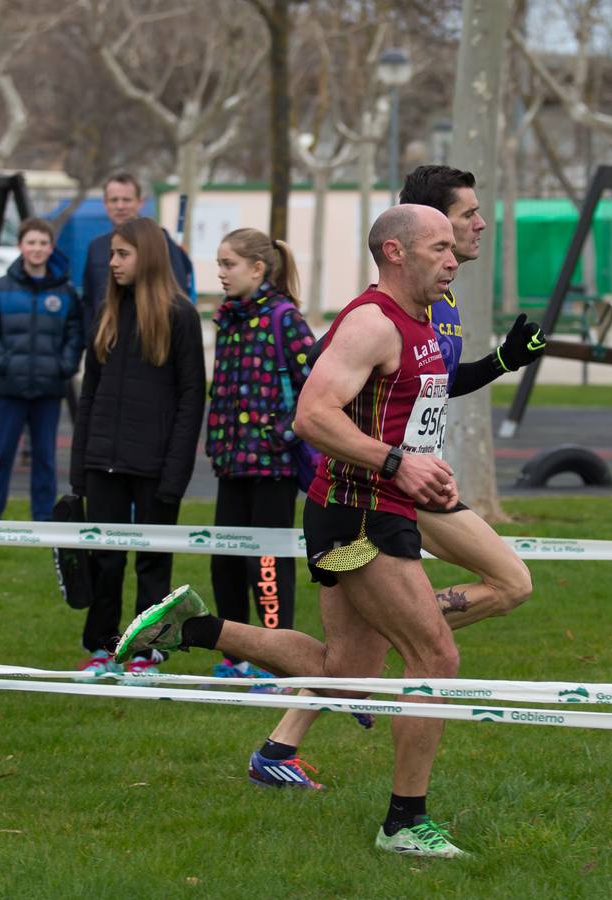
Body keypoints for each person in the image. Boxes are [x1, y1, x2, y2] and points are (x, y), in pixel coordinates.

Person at [113, 205, 471, 857]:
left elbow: (405, 422)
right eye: (442, 247)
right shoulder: (371, 322)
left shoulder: (424, 322)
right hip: (359, 514)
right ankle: (405, 822)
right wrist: (396, 463)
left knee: (346, 673)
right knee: (436, 657)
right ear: (396, 252)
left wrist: (425, 469)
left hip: (376, 505)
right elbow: (311, 415)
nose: (454, 258)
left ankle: (191, 627)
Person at [246, 164, 546, 790]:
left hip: (419, 483)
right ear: (410, 237)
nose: (478, 225)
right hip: (369, 491)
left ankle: (281, 742)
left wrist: (502, 361)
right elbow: (329, 396)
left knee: (491, 595)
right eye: (464, 217)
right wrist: (388, 461)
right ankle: (308, 743)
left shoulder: (439, 300)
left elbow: (435, 381)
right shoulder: (378, 310)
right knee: (428, 637)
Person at [71, 217, 205, 676]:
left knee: (153, 563)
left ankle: (146, 650)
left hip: (155, 465)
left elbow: (192, 398)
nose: (112, 263)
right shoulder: (105, 314)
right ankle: (103, 648)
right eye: (111, 253)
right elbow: (89, 394)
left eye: (122, 254)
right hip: (102, 461)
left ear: (145, 256)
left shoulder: (180, 315)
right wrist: (80, 465)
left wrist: (175, 474)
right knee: (104, 561)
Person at [203, 227, 314, 684]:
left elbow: (319, 387)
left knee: (266, 562)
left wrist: (278, 433)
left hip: (273, 466)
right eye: (220, 264)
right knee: (224, 560)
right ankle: (235, 656)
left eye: (228, 264)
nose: (221, 274)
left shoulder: (285, 318)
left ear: (257, 268)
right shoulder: (227, 320)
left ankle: (276, 655)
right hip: (232, 464)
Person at [0, 217, 83, 521]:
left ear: (51, 248)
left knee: (45, 458)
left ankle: (44, 518)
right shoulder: (0, 289)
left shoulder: (64, 292)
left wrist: (66, 365)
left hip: (49, 388)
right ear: (21, 246)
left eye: (43, 243)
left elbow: (76, 332)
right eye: (31, 242)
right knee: (1, 456)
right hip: (11, 386)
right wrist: (0, 362)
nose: (37, 249)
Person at [81, 174, 195, 330]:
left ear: (140, 202)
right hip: (106, 341)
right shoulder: (96, 247)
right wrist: (92, 339)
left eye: (126, 200)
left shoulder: (162, 244)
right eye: (114, 200)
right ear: (105, 203)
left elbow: (178, 295)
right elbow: (88, 301)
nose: (120, 206)